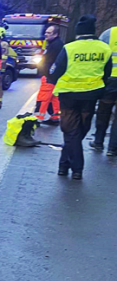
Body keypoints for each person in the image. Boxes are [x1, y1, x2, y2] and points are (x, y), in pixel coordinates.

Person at [49, 15, 113, 179]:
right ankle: (63, 165)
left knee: (71, 132)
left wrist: (54, 80)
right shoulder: (104, 49)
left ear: (78, 32)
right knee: (79, 130)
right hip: (91, 96)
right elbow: (107, 73)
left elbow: (56, 71)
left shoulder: (70, 48)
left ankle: (76, 168)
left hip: (69, 96)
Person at [90, 26, 117, 155]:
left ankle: (98, 141)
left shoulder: (109, 33)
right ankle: (113, 148)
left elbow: (97, 54)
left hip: (109, 79)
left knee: (103, 111)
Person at [34, 24, 64, 124]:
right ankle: (55, 117)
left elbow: (50, 61)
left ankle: (37, 119)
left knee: (43, 98)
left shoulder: (55, 45)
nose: (46, 34)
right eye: (46, 32)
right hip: (53, 76)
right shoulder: (54, 43)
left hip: (49, 76)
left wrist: (46, 74)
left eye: (49, 33)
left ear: (55, 34)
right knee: (54, 98)